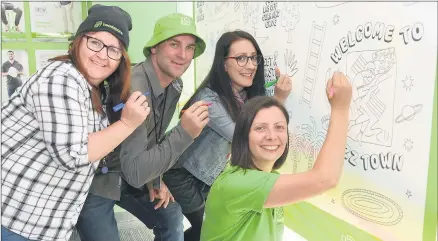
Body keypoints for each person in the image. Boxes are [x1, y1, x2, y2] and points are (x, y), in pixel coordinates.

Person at [1, 4, 149, 241]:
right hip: (15, 218)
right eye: (95, 42)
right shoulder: (62, 77)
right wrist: (127, 124)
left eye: (114, 49)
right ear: (78, 41)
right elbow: (73, 154)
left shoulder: (96, 90)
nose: (103, 55)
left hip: (45, 223)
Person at [76, 13, 209, 241]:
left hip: (131, 172)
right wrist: (185, 133)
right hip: (96, 178)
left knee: (171, 216)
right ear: (154, 48)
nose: (183, 55)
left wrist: (155, 180)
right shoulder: (134, 87)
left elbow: (151, 139)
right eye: (174, 44)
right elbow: (136, 171)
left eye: (190, 47)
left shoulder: (174, 85)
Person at [162, 30, 292, 240]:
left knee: (205, 229)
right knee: (210, 228)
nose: (250, 65)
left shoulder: (246, 95)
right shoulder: (209, 99)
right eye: (241, 58)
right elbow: (241, 136)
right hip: (184, 177)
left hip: (211, 180)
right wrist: (278, 99)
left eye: (253, 58)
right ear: (223, 64)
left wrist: (274, 97)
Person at [200, 72, 352, 241]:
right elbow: (324, 179)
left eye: (279, 127)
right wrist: (341, 107)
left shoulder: (269, 178)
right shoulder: (236, 183)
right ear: (243, 136)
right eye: (260, 128)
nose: (272, 136)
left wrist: (279, 98)